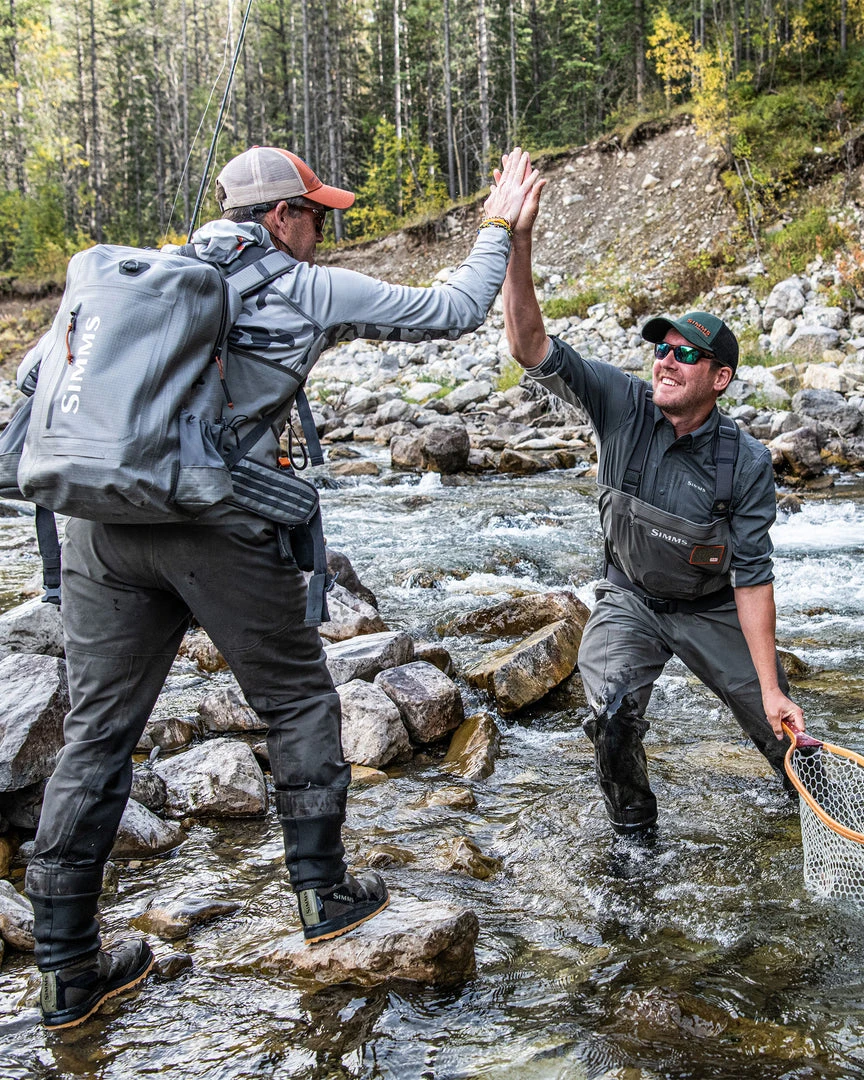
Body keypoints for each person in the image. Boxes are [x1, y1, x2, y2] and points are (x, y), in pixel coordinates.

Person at [25, 145, 541, 1030]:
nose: (324, 230)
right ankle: (323, 896)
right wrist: (497, 224)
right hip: (216, 526)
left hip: (100, 529)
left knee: (96, 735)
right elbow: (455, 309)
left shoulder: (126, 284)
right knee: (299, 704)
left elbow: (35, 385)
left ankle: (70, 970)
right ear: (278, 217)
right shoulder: (302, 287)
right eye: (317, 215)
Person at [500, 166, 804, 838]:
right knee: (610, 720)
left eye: (684, 354)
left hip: (711, 608)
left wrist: (772, 685)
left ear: (719, 378)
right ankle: (636, 840)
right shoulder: (618, 402)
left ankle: (820, 820)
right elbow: (528, 346)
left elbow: (752, 579)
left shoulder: (745, 463)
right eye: (660, 349)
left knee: (787, 738)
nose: (664, 360)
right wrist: (517, 243)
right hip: (628, 601)